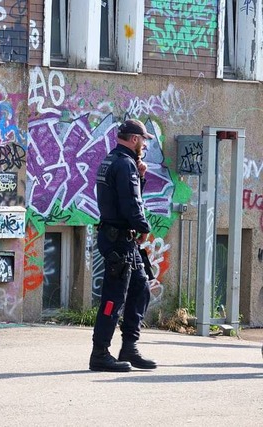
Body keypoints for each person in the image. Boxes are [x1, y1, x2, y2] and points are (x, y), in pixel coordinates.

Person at [90, 119, 157, 372]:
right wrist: (143, 228)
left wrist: (140, 177)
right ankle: (99, 353)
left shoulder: (114, 160)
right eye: (144, 140)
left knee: (141, 288)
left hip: (121, 239)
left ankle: (129, 347)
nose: (145, 145)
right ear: (135, 139)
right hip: (119, 239)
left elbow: (125, 196)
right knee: (113, 298)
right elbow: (131, 203)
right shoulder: (125, 163)